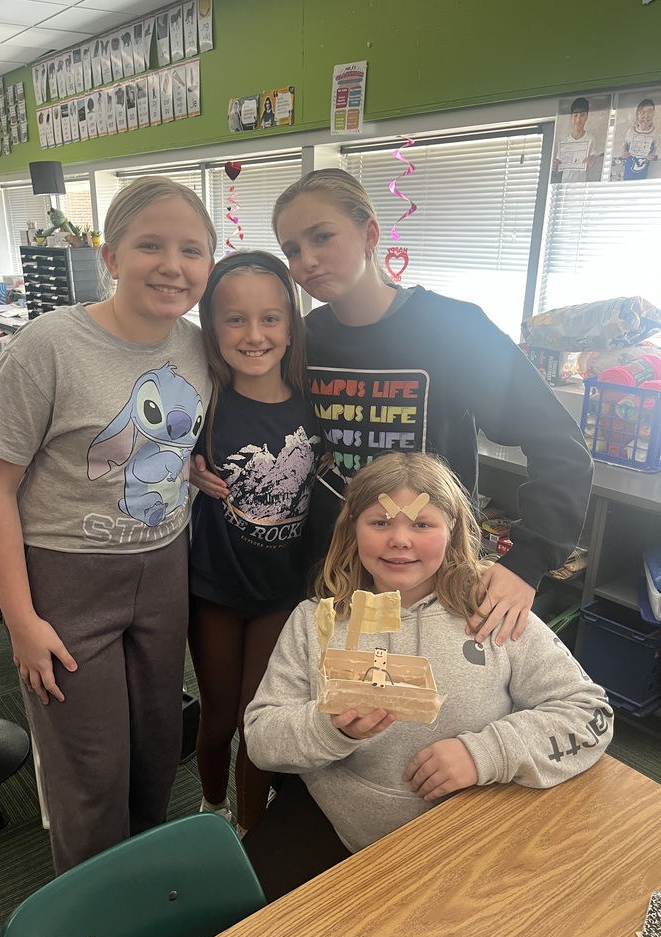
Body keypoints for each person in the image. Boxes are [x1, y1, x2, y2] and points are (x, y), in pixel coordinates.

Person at [194, 169, 593, 645]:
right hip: (332, 576)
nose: (307, 261)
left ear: (370, 234)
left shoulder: (455, 329)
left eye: (322, 237)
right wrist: (199, 462)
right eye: (292, 250)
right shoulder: (305, 339)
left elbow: (560, 445)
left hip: (431, 578)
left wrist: (527, 561)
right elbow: (259, 416)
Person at [0, 176, 216, 875]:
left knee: (155, 747)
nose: (173, 265)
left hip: (164, 567)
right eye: (150, 245)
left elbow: (180, 442)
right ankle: (94, 918)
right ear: (110, 256)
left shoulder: (201, 347)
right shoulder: (48, 346)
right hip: (67, 575)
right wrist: (20, 620)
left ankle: (141, 888)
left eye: (192, 250)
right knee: (90, 768)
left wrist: (194, 467)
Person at [243, 451, 613, 900]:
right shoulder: (314, 621)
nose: (400, 540)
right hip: (337, 828)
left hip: (466, 838)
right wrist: (329, 726)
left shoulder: (493, 612)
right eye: (380, 522)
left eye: (421, 524)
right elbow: (261, 739)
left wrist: (485, 753)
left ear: (452, 528)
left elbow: (590, 714)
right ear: (352, 527)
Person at [189, 251, 322, 834]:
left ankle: (247, 832)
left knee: (255, 719)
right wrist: (184, 469)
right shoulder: (202, 401)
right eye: (235, 319)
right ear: (212, 328)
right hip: (214, 588)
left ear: (291, 327)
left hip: (282, 593)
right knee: (218, 717)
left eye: (270, 318)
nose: (254, 335)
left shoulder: (316, 405)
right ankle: (211, 808)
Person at [552, 96, 596, 183]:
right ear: (571, 117)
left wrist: (592, 162)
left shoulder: (590, 139)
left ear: (587, 116)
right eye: (575, 115)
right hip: (564, 184)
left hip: (581, 185)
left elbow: (592, 164)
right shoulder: (564, 143)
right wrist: (555, 168)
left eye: (582, 115)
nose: (578, 120)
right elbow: (556, 171)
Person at [622, 98, 658, 181]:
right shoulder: (631, 131)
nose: (646, 116)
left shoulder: (655, 132)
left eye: (650, 112)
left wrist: (652, 155)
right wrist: (624, 153)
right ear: (637, 115)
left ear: (653, 113)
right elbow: (624, 147)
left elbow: (655, 146)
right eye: (642, 113)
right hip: (629, 171)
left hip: (644, 171)